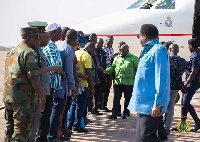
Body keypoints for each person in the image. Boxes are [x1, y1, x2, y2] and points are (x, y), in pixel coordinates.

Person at [3, 27, 46, 142]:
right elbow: (34, 78)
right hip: (23, 100)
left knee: (9, 129)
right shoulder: (29, 53)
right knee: (21, 132)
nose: (38, 41)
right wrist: (41, 97)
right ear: (27, 38)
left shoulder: (12, 51)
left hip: (9, 97)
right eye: (36, 38)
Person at [128, 24, 170, 142]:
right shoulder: (149, 51)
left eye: (139, 36)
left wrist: (158, 102)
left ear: (144, 35)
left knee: (147, 137)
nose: (139, 40)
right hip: (143, 102)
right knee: (139, 138)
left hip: (151, 103)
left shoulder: (158, 50)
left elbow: (161, 78)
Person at [27, 21, 63, 142]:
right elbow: (34, 73)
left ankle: (42, 137)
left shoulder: (40, 49)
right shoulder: (32, 52)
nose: (48, 40)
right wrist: (56, 70)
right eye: (46, 37)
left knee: (42, 116)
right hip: (35, 92)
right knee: (40, 118)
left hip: (42, 88)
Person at [105, 44, 139, 119]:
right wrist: (107, 70)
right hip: (118, 82)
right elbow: (113, 67)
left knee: (127, 98)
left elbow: (138, 70)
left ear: (127, 50)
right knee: (116, 98)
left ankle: (126, 113)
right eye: (120, 50)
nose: (121, 52)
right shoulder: (117, 58)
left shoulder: (133, 58)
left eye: (123, 50)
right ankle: (114, 114)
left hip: (129, 83)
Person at [67, 42, 95, 132]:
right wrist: (92, 87)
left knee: (74, 105)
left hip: (75, 82)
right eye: (93, 50)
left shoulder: (76, 52)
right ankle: (77, 126)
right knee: (80, 105)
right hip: (83, 84)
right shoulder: (86, 56)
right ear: (90, 48)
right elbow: (88, 73)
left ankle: (69, 125)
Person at [174, 38, 200, 132]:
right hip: (190, 81)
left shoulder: (195, 56)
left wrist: (186, 83)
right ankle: (182, 126)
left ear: (190, 46)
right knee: (183, 104)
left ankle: (198, 122)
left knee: (185, 103)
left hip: (192, 82)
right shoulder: (194, 55)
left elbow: (194, 72)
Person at [164, 44, 187, 134]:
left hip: (165, 87)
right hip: (175, 88)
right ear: (178, 51)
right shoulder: (182, 61)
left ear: (169, 49)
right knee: (170, 108)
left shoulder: (165, 59)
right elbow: (183, 71)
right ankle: (167, 128)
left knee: (162, 107)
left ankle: (160, 126)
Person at [92, 38, 107, 115]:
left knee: (99, 92)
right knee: (92, 93)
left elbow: (104, 63)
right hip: (94, 75)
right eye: (98, 43)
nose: (100, 45)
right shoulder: (93, 52)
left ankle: (96, 108)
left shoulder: (103, 52)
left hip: (101, 76)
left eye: (101, 43)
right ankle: (91, 109)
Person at [101, 35, 114, 112]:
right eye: (109, 41)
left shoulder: (111, 49)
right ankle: (100, 105)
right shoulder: (102, 49)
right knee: (101, 89)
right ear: (106, 41)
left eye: (111, 41)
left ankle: (104, 105)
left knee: (107, 89)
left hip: (109, 71)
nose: (110, 42)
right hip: (103, 71)